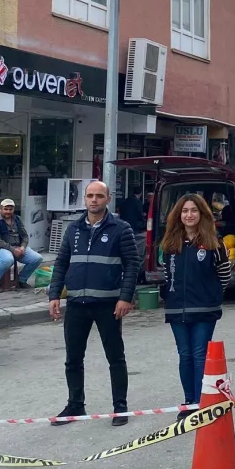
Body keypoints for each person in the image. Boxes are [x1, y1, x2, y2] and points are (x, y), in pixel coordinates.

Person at [47, 181, 141, 427]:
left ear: (108, 198)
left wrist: (125, 297)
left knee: (115, 357)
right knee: (73, 359)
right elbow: (61, 263)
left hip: (108, 304)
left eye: (99, 196)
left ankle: (120, 407)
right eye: (90, 196)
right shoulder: (73, 230)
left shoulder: (121, 228)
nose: (94, 200)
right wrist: (54, 294)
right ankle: (75, 405)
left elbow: (132, 264)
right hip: (77, 304)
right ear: (85, 199)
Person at [159, 194, 233, 420]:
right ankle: (189, 401)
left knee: (200, 354)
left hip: (204, 309)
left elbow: (224, 275)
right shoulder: (170, 243)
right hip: (176, 309)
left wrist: (210, 295)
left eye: (193, 211)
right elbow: (166, 274)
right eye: (184, 211)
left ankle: (202, 403)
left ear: (201, 214)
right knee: (185, 355)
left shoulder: (213, 242)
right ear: (178, 215)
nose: (189, 215)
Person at [0, 198, 43, 288]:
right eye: (5, 209)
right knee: (7, 260)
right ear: (0, 209)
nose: (8, 212)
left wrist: (22, 247)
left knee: (37, 258)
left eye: (10, 209)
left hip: (16, 246)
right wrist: (12, 250)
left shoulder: (17, 219)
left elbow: (24, 236)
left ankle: (21, 280)